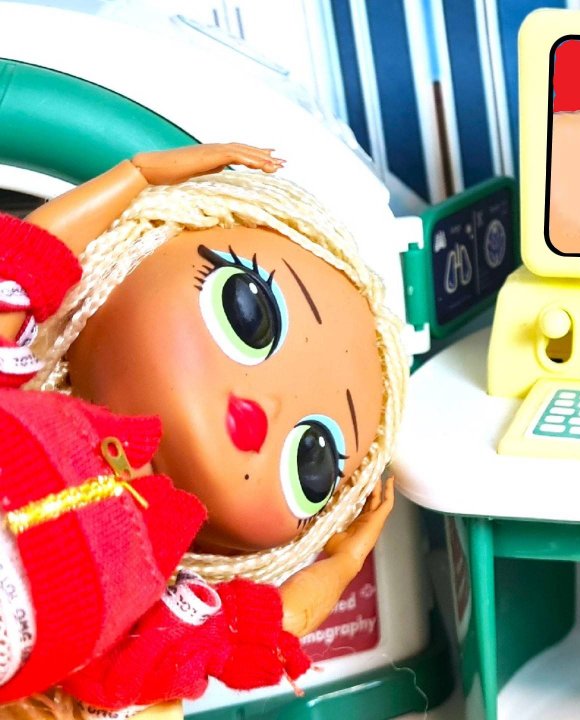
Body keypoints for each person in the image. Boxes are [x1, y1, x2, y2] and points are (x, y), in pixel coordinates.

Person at [0, 144, 407, 718]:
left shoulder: (149, 607)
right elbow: (23, 260)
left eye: (311, 458)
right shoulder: (17, 395)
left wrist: (348, 557)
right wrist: (138, 174)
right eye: (248, 314)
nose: (265, 406)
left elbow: (274, 623)